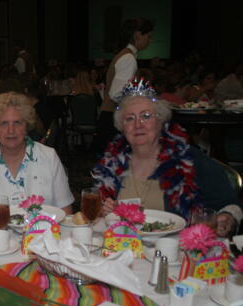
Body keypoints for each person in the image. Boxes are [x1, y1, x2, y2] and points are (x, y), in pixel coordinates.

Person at [92, 79, 242, 237]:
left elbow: (230, 204)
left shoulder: (188, 159)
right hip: (124, 249)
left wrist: (227, 217)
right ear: (122, 126)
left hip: (176, 252)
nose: (138, 124)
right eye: (130, 118)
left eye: (146, 116)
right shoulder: (111, 164)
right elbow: (98, 213)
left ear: (160, 121)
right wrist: (103, 211)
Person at [0, 92, 74, 211]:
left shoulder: (49, 157)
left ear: (26, 126)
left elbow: (65, 211)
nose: (11, 130)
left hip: (47, 229)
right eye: (4, 123)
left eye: (17, 122)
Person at [97, 17, 153, 151]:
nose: (150, 41)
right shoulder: (128, 58)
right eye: (149, 36)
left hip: (109, 116)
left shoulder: (124, 55)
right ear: (138, 35)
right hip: (113, 119)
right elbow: (116, 94)